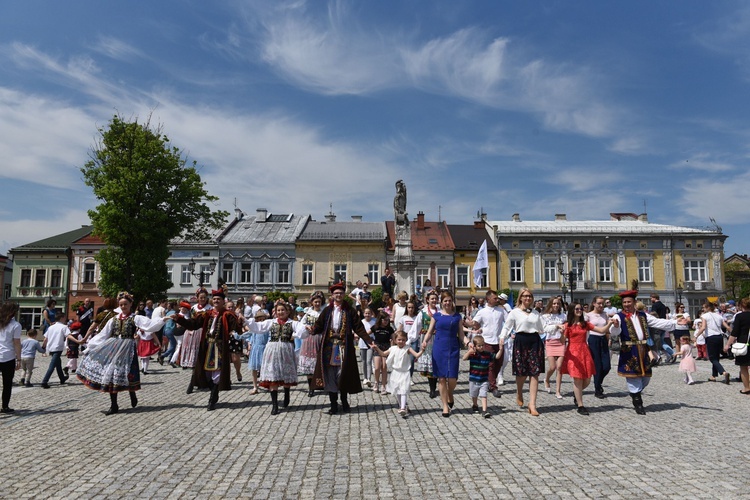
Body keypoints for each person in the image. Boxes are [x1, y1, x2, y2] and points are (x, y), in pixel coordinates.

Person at [77, 292, 165, 415]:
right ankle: (114, 405)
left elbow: (149, 325)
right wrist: (90, 346)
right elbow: (103, 334)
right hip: (114, 347)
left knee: (128, 373)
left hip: (128, 348)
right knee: (112, 373)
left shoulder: (136, 318)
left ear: (130, 305)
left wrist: (163, 319)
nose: (123, 307)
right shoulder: (113, 319)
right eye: (121, 304)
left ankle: (132, 392)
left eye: (125, 304)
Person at [608, 290, 685, 415]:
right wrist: (615, 326)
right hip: (629, 350)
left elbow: (657, 322)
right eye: (624, 302)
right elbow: (614, 332)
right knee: (633, 376)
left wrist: (675, 323)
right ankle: (638, 402)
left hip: (643, 349)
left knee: (646, 376)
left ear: (634, 302)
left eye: (629, 302)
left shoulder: (643, 315)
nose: (626, 304)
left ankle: (635, 392)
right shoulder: (619, 316)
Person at [309, 282, 374, 415]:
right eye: (336, 293)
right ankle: (333, 405)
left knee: (342, 374)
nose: (338, 295)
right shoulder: (327, 310)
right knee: (330, 375)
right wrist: (312, 329)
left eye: (341, 293)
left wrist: (369, 341)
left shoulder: (349, 310)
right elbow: (319, 325)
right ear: (332, 295)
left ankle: (344, 402)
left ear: (344, 295)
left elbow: (358, 327)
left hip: (344, 347)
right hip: (329, 347)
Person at [173, 289, 240, 411]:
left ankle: (212, 398)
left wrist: (240, 325)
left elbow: (236, 328)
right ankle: (213, 391)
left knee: (217, 373)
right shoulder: (207, 314)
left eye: (218, 299)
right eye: (214, 299)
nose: (216, 301)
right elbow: (193, 324)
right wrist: (179, 319)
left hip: (219, 348)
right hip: (207, 347)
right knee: (205, 373)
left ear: (223, 302)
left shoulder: (228, 315)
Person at [245, 302, 306, 415]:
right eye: (278, 310)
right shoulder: (271, 322)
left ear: (287, 311)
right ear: (275, 312)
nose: (280, 312)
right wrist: (246, 321)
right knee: (272, 376)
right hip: (272, 350)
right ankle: (275, 405)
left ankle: (286, 393)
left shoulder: (293, 323)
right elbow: (258, 327)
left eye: (283, 310)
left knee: (285, 373)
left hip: (286, 350)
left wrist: (306, 329)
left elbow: (302, 332)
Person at [499, 288, 545, 416]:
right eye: (525, 296)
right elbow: (507, 326)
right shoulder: (514, 312)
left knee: (534, 373)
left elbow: (542, 328)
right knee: (521, 373)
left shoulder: (536, 313)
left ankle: (532, 404)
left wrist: (556, 327)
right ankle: (519, 391)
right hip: (521, 341)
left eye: (530, 296)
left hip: (535, 341)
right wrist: (502, 337)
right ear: (520, 298)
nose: (528, 298)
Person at [421, 291, 467, 417]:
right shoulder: (436, 316)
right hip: (439, 348)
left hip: (453, 348)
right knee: (441, 378)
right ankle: (445, 406)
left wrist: (469, 343)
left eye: (449, 300)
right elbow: (429, 332)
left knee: (452, 378)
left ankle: (450, 393)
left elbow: (462, 335)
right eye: (445, 301)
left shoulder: (457, 317)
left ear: (452, 302)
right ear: (442, 302)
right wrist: (425, 342)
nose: (447, 303)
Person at [561, 303, 613, 415]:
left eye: (580, 309)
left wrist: (609, 323)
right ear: (572, 310)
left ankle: (576, 394)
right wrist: (561, 333)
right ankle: (580, 405)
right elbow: (562, 341)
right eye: (577, 309)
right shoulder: (567, 325)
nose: (579, 310)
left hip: (584, 351)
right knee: (578, 379)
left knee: (587, 379)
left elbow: (601, 330)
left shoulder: (585, 324)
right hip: (573, 353)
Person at [372, 330, 423, 417]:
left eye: (403, 340)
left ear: (406, 340)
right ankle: (402, 406)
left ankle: (402, 408)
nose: (401, 342)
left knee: (403, 390)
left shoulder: (407, 348)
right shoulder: (393, 349)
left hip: (405, 373)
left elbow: (417, 355)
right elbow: (383, 354)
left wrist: (422, 350)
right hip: (396, 372)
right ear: (395, 340)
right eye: (399, 340)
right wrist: (376, 348)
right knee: (398, 391)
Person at [470, 290, 507, 398]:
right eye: (495, 298)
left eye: (497, 298)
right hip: (487, 341)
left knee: (499, 363)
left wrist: (505, 334)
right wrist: (470, 324)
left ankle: (490, 381)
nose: (497, 300)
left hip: (499, 341)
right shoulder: (482, 311)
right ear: (488, 299)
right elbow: (475, 323)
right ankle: (493, 387)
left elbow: (508, 322)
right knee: (490, 364)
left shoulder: (501, 310)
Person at [463, 335, 501, 418]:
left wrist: (501, 349)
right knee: (474, 394)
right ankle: (475, 405)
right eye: (479, 346)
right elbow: (464, 358)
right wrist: (469, 351)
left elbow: (496, 357)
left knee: (484, 395)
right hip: (473, 379)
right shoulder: (473, 354)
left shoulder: (487, 354)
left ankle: (484, 410)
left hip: (484, 379)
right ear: (475, 346)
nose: (481, 347)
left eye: (482, 345)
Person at [695, 301, 732, 385]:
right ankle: (713, 376)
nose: (703, 309)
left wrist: (696, 335)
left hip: (711, 337)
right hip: (720, 337)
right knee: (716, 357)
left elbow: (703, 327)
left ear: (708, 308)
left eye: (704, 307)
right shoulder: (719, 316)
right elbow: (727, 327)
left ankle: (723, 372)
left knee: (712, 358)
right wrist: (734, 335)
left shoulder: (704, 316)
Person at [412, 290, 440, 398]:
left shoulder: (440, 311)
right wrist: (410, 340)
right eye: (432, 298)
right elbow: (416, 327)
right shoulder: (422, 312)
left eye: (435, 298)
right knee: (430, 363)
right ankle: (432, 389)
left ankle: (435, 387)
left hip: (438, 339)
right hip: (427, 340)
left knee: (436, 362)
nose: (434, 300)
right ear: (427, 300)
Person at [298, 292, 325, 396]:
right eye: (315, 302)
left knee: (319, 363)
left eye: (319, 302)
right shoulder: (308, 313)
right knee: (309, 364)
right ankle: (311, 387)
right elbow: (301, 324)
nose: (317, 303)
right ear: (312, 303)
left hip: (320, 338)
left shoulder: (323, 313)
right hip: (309, 339)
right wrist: (306, 327)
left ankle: (319, 383)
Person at [586, 296, 612, 399]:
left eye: (602, 303)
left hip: (603, 340)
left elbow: (607, 329)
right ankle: (597, 389)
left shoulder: (605, 315)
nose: (601, 305)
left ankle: (598, 382)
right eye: (599, 303)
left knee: (606, 366)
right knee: (597, 366)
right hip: (593, 340)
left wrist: (608, 338)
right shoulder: (588, 315)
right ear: (594, 304)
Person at [179, 289, 212, 370]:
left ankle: (198, 362)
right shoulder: (193, 307)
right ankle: (188, 361)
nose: (203, 299)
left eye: (204, 297)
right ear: (197, 298)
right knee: (189, 345)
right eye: (201, 297)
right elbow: (191, 319)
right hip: (193, 329)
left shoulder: (210, 308)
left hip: (202, 330)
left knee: (199, 346)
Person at [541, 297, 566, 399]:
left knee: (559, 367)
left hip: (561, 342)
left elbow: (566, 327)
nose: (556, 305)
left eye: (558, 304)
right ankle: (546, 379)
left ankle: (558, 391)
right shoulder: (545, 316)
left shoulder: (563, 316)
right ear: (550, 304)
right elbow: (544, 329)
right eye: (554, 303)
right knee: (552, 367)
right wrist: (556, 326)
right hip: (550, 342)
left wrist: (564, 329)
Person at [724, 297, 750, 394]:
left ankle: (747, 388)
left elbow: (734, 333)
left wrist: (727, 345)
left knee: (744, 367)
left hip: (743, 344)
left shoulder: (740, 316)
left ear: (741, 306)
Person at [0, 302, 22, 413]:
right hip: (7, 357)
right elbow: (16, 342)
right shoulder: (16, 325)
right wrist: (19, 359)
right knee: (7, 383)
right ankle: (4, 406)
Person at [41, 315, 70, 389]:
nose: (65, 319)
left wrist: (43, 347)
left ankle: (62, 378)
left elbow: (45, 338)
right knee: (52, 365)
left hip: (51, 347)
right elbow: (69, 336)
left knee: (58, 363)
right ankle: (45, 381)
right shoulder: (64, 327)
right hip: (58, 347)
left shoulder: (51, 327)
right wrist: (78, 341)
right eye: (64, 318)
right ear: (61, 318)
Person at [245, 309, 269, 395]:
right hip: (255, 349)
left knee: (265, 368)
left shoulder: (267, 328)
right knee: (254, 368)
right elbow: (250, 336)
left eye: (263, 319)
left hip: (264, 348)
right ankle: (255, 386)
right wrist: (249, 346)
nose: (261, 321)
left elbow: (269, 338)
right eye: (260, 319)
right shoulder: (255, 328)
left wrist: (268, 346)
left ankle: (267, 383)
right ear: (257, 320)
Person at [371, 311, 394, 395]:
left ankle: (384, 385)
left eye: (388, 320)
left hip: (386, 347)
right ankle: (376, 382)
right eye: (385, 320)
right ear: (380, 319)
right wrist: (371, 343)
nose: (386, 322)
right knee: (377, 367)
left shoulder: (389, 329)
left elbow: (394, 338)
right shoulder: (375, 327)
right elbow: (366, 334)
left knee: (384, 367)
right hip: (377, 347)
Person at [225, 300, 245, 382]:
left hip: (236, 338)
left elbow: (242, 325)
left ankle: (238, 371)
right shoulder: (224, 315)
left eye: (232, 306)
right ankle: (228, 377)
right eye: (229, 307)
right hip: (226, 338)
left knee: (235, 359)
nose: (230, 308)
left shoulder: (237, 316)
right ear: (226, 308)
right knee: (227, 359)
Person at [358, 307, 376, 388]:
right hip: (362, 343)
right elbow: (357, 331)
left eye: (369, 313)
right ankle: (365, 377)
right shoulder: (361, 322)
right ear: (363, 314)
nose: (367, 315)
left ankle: (369, 378)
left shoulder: (374, 321)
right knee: (364, 361)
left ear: (371, 313)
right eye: (366, 313)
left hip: (371, 343)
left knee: (369, 361)